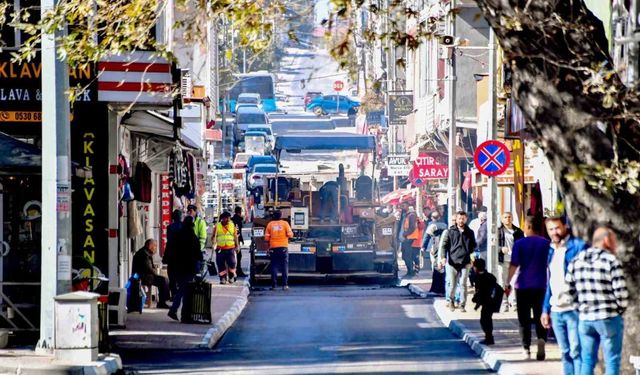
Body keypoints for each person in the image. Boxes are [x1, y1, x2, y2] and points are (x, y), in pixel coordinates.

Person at [566, 227, 628, 375]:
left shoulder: (576, 260)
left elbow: (569, 290)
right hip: (608, 317)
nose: (615, 244)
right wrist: (618, 310)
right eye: (613, 241)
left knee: (587, 360)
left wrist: (579, 309)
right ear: (606, 240)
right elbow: (621, 294)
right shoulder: (611, 261)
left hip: (585, 318)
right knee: (612, 360)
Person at [541, 216, 587, 375]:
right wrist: (545, 309)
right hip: (556, 309)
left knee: (576, 350)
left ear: (565, 226)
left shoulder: (578, 247)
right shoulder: (550, 250)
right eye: (550, 229)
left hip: (574, 308)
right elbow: (550, 282)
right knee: (565, 352)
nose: (554, 232)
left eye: (557, 228)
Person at [505, 216, 551, 360]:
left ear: (529, 227)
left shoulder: (520, 244)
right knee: (540, 316)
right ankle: (541, 339)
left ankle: (526, 348)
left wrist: (507, 282)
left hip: (523, 285)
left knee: (523, 319)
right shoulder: (546, 244)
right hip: (541, 285)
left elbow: (514, 265)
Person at [167, 216, 203, 322]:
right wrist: (199, 263)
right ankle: (182, 314)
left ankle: (177, 311)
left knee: (182, 289)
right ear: (192, 225)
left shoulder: (176, 235)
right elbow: (197, 253)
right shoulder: (193, 237)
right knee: (185, 290)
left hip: (177, 267)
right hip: (189, 268)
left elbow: (170, 248)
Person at [440, 211, 476, 312]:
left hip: (466, 261)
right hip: (452, 261)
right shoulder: (450, 232)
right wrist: (443, 257)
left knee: (463, 283)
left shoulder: (470, 232)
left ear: (466, 219)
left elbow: (473, 246)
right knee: (453, 283)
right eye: (459, 218)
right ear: (456, 219)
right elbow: (444, 246)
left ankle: (462, 304)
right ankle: (451, 301)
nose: (461, 220)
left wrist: (472, 258)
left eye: (463, 218)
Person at [132, 239, 170, 309]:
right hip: (142, 276)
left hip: (145, 275)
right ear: (149, 246)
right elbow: (148, 268)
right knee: (163, 280)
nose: (155, 248)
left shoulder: (146, 252)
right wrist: (156, 274)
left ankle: (163, 301)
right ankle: (162, 302)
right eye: (154, 246)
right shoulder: (144, 254)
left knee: (164, 279)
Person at [498, 212, 524, 311]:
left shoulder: (518, 231)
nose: (508, 219)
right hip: (503, 260)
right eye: (505, 217)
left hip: (515, 260)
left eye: (509, 217)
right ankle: (504, 303)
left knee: (515, 282)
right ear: (502, 219)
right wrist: (501, 249)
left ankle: (514, 303)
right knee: (503, 282)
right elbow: (493, 245)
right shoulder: (498, 231)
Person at [264, 210, 293, 290]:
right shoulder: (285, 224)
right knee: (284, 266)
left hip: (273, 248)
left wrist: (267, 249)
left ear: (273, 216)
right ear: (281, 216)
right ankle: (285, 285)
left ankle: (274, 285)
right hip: (283, 247)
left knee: (274, 266)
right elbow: (290, 235)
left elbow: (266, 238)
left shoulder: (270, 224)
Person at [472, 258, 497, 346]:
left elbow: (480, 293)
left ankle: (489, 338)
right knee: (487, 319)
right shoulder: (490, 276)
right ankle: (489, 337)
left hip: (487, 302)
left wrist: (477, 304)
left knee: (484, 320)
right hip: (492, 301)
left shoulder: (478, 278)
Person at [422, 211, 447, 295]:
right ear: (439, 217)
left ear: (432, 218)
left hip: (434, 248)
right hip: (444, 248)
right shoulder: (445, 225)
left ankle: (436, 288)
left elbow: (426, 237)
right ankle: (442, 288)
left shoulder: (431, 226)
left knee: (436, 267)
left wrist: (423, 247)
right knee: (443, 268)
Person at [212, 211, 239, 284]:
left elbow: (235, 236)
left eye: (229, 218)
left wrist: (237, 246)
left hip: (230, 248)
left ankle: (231, 276)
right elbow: (213, 237)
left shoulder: (232, 225)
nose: (228, 220)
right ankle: (222, 278)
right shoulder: (217, 226)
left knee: (232, 263)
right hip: (220, 249)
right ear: (222, 219)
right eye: (226, 218)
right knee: (220, 264)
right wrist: (214, 242)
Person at [163, 209, 183, 299]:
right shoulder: (184, 226)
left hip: (172, 255)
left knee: (172, 276)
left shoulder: (170, 227)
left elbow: (169, 242)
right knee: (180, 276)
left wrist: (165, 256)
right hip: (181, 256)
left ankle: (174, 294)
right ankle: (179, 294)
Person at [401, 206, 423, 277]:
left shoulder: (412, 216)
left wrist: (405, 234)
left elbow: (412, 227)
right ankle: (410, 272)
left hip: (410, 238)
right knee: (405, 256)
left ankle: (410, 272)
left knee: (407, 256)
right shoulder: (410, 216)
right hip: (409, 238)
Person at [231, 206, 247, 278]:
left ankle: (235, 270)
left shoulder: (233, 219)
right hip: (235, 240)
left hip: (233, 240)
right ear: (239, 212)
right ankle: (237, 271)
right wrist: (239, 240)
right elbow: (237, 231)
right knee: (238, 256)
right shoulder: (237, 220)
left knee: (236, 256)